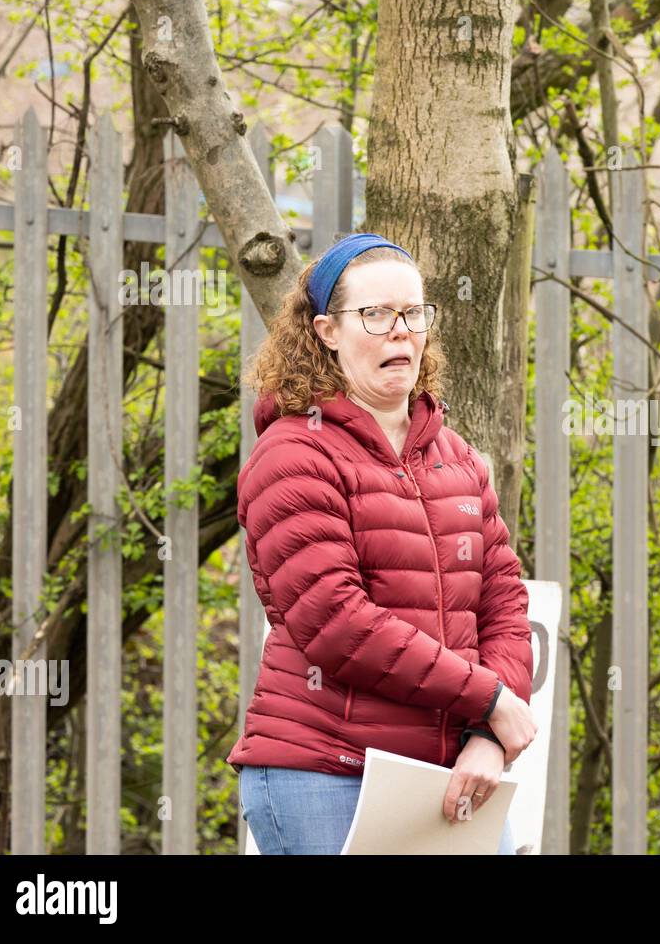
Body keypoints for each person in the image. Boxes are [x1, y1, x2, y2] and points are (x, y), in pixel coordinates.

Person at [227, 232, 538, 854]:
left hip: (454, 777)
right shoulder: (293, 453)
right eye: (375, 314)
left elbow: (505, 607)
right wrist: (490, 697)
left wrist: (488, 734)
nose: (401, 330)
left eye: (414, 312)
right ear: (326, 331)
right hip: (325, 772)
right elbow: (338, 624)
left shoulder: (460, 462)